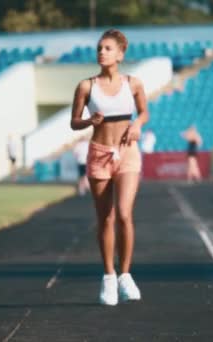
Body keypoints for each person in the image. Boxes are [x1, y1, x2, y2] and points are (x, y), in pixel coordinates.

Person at [70, 29, 148, 306]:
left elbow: (144, 112)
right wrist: (90, 121)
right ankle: (108, 277)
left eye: (107, 48)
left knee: (125, 214)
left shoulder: (133, 83)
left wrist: (137, 125)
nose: (101, 52)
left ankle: (126, 275)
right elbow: (74, 122)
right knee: (105, 218)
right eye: (99, 48)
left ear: (120, 54)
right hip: (99, 154)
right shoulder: (86, 86)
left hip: (127, 153)